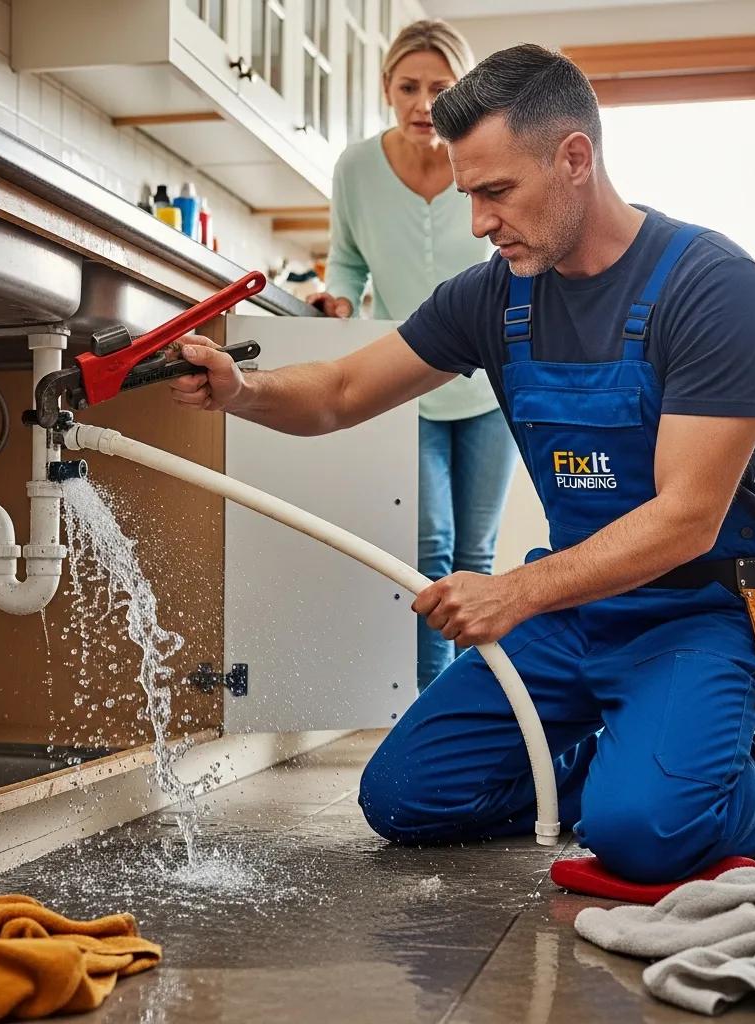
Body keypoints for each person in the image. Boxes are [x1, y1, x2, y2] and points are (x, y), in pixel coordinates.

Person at [169, 43, 755, 884]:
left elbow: (688, 515)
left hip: (691, 612)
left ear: (575, 159)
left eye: (495, 191)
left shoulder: (714, 286)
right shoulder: (496, 294)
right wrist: (240, 388)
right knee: (404, 799)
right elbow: (338, 390)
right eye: (469, 191)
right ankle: (635, 767)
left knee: (647, 836)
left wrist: (512, 592)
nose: (477, 221)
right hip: (574, 613)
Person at [308, 19, 518, 693]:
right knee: (428, 551)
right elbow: (345, 262)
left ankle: (472, 715)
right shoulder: (358, 168)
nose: (423, 103)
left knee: (475, 558)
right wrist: (337, 300)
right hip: (403, 383)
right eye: (408, 87)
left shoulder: (484, 159)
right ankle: (433, 712)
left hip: (490, 386)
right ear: (385, 88)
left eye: (440, 87)